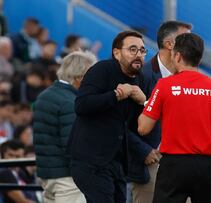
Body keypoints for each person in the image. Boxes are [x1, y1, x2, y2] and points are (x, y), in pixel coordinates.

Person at [138, 33, 211, 203]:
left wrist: (145, 103)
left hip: (173, 165)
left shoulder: (164, 85)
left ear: (177, 56)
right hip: (207, 166)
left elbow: (143, 128)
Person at [68, 31, 147, 203]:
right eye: (132, 49)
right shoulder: (102, 69)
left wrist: (143, 103)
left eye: (142, 51)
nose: (138, 55)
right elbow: (81, 105)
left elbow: (134, 125)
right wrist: (115, 95)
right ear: (116, 52)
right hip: (91, 160)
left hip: (116, 162)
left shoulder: (138, 78)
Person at [127, 20, 192, 203]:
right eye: (186, 39)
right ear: (169, 44)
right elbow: (121, 123)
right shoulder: (142, 76)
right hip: (151, 163)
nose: (191, 43)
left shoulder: (190, 77)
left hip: (185, 162)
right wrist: (143, 151)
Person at [33, 51, 97, 203]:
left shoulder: (45, 95)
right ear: (79, 77)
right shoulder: (71, 102)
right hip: (69, 180)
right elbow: (73, 145)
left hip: (48, 176)